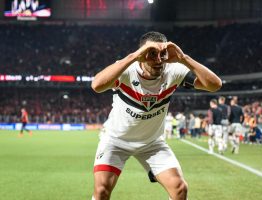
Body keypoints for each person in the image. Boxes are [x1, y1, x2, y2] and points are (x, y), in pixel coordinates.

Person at [91, 31, 222, 200]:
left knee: (179, 188)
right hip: (116, 141)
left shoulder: (173, 70)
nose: (159, 60)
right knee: (102, 191)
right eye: (152, 54)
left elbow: (214, 85)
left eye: (163, 54)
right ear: (142, 55)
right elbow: (97, 85)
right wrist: (134, 56)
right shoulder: (126, 70)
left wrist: (184, 58)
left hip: (152, 143)